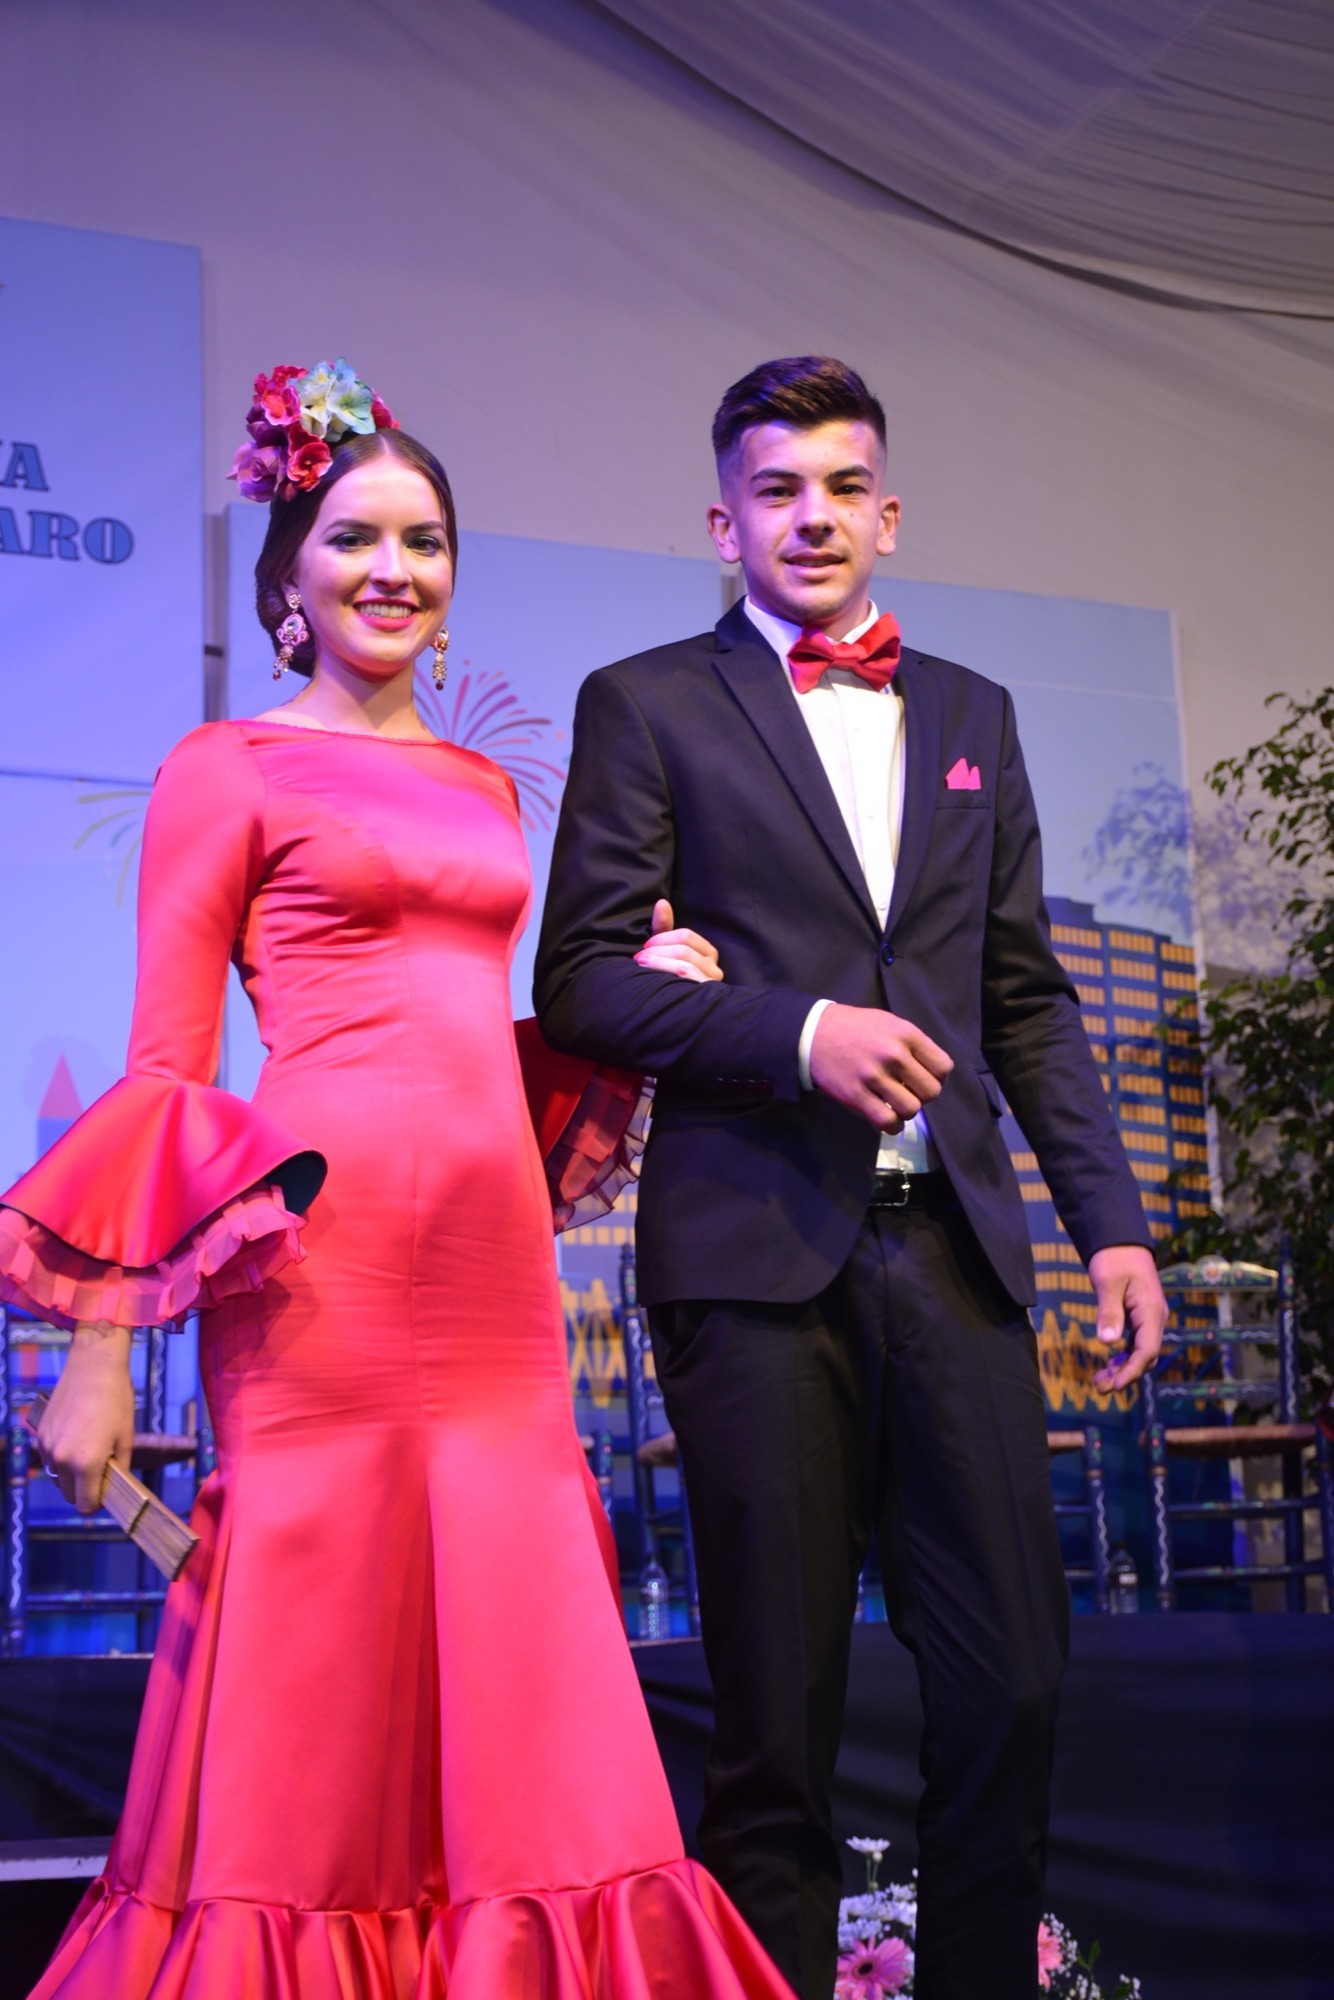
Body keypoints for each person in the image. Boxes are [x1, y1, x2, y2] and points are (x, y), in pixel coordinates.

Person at [0, 360, 796, 2000]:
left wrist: (638, 993)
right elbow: (167, 1071)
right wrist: (98, 1351)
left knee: (515, 1632)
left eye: (423, 541)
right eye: (353, 537)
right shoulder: (226, 766)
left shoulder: (485, 786)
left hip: (491, 1266)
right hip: (321, 1269)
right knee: (318, 1641)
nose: (392, 569)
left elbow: (455, 1029)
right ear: (287, 576)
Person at [534, 356, 1170, 2000]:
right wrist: (796, 1030)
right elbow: (585, 980)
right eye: (775, 489)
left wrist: (1108, 1225)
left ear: (886, 513)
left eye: (838, 488)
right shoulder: (646, 703)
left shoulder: (971, 713)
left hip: (953, 1252)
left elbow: (1022, 998)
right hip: (751, 1258)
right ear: (723, 523)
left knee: (1012, 1683)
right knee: (777, 1720)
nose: (808, 517)